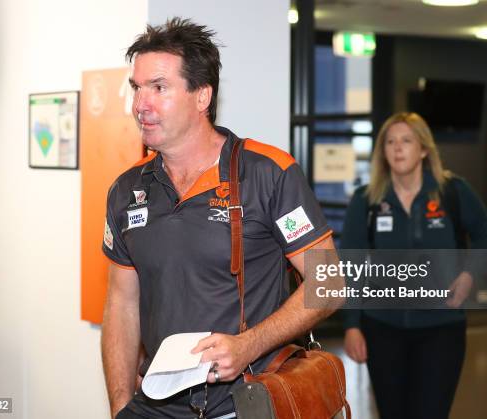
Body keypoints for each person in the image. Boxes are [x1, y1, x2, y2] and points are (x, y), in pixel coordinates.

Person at [100, 18, 339, 419]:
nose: (141, 104)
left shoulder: (267, 172)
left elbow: (329, 283)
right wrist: (121, 406)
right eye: (136, 88)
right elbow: (122, 303)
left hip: (247, 402)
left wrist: (249, 344)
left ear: (201, 96)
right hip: (155, 406)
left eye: (158, 87)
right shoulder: (126, 190)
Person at [341, 112, 487, 419]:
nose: (397, 148)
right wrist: (351, 325)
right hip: (382, 329)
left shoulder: (452, 191)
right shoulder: (367, 200)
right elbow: (351, 265)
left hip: (441, 330)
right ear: (383, 152)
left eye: (406, 141)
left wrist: (468, 276)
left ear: (424, 149)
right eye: (390, 142)